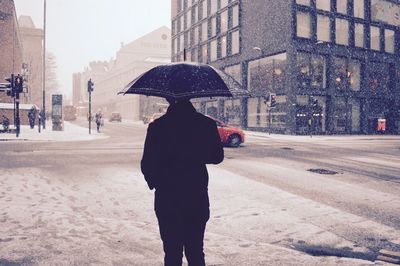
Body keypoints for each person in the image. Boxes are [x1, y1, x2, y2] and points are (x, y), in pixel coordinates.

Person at [141, 98, 224, 266]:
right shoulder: (205, 124)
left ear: (168, 99)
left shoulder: (158, 127)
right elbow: (217, 156)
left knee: (172, 252)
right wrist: (196, 156)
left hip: (167, 197)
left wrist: (157, 182)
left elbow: (147, 164)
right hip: (196, 195)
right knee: (195, 251)